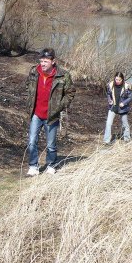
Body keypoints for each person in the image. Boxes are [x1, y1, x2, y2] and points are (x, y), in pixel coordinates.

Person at [25, 48, 75, 176]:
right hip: (35, 113)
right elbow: (28, 86)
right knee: (31, 142)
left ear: (53, 61)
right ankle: (33, 166)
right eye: (41, 61)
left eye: (46, 61)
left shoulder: (63, 75)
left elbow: (71, 92)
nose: (42, 64)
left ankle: (51, 165)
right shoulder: (33, 71)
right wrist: (30, 100)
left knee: (51, 144)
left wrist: (60, 106)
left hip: (51, 115)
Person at [103, 72, 132, 144]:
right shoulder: (110, 85)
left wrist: (124, 103)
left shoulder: (126, 86)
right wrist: (109, 100)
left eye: (119, 80)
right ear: (114, 78)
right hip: (113, 107)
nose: (117, 81)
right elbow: (108, 94)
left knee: (125, 124)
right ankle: (106, 141)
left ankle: (127, 139)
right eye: (116, 79)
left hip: (122, 108)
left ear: (122, 79)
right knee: (108, 123)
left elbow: (130, 97)